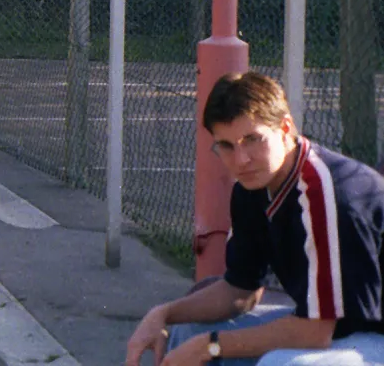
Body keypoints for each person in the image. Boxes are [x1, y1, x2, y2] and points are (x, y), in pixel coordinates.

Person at [124, 71, 384, 366]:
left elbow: (316, 332)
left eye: (252, 139)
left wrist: (209, 347)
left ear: (285, 128)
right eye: (226, 145)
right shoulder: (252, 186)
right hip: (337, 329)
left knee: (281, 363)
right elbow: (241, 291)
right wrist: (163, 314)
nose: (241, 159)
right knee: (188, 332)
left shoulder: (326, 192)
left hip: (371, 336)